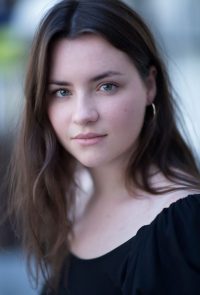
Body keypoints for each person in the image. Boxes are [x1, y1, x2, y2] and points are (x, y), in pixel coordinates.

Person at [8, 0, 200, 294]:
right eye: (61, 92)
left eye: (106, 86)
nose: (83, 114)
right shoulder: (72, 201)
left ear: (150, 85)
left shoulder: (180, 225)